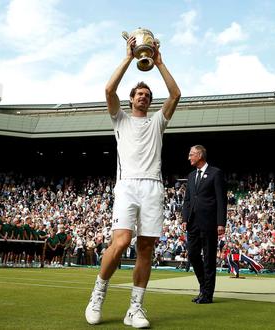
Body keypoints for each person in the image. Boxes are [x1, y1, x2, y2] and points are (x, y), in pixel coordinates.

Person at [85, 33, 180, 329]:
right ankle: (98, 294)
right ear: (131, 99)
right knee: (122, 240)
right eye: (139, 94)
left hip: (152, 186)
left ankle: (135, 309)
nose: (144, 96)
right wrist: (128, 57)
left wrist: (160, 63)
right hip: (127, 185)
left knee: (146, 248)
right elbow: (108, 88)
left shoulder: (157, 122)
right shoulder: (120, 119)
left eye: (147, 95)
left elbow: (176, 94)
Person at [181, 145, 227, 304]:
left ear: (200, 155)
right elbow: (187, 200)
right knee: (193, 255)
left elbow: (221, 200)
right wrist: (184, 219)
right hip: (192, 223)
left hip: (209, 223)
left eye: (191, 154)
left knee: (209, 259)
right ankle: (203, 287)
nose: (189, 157)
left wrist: (221, 223)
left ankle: (207, 295)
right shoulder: (191, 175)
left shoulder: (216, 173)